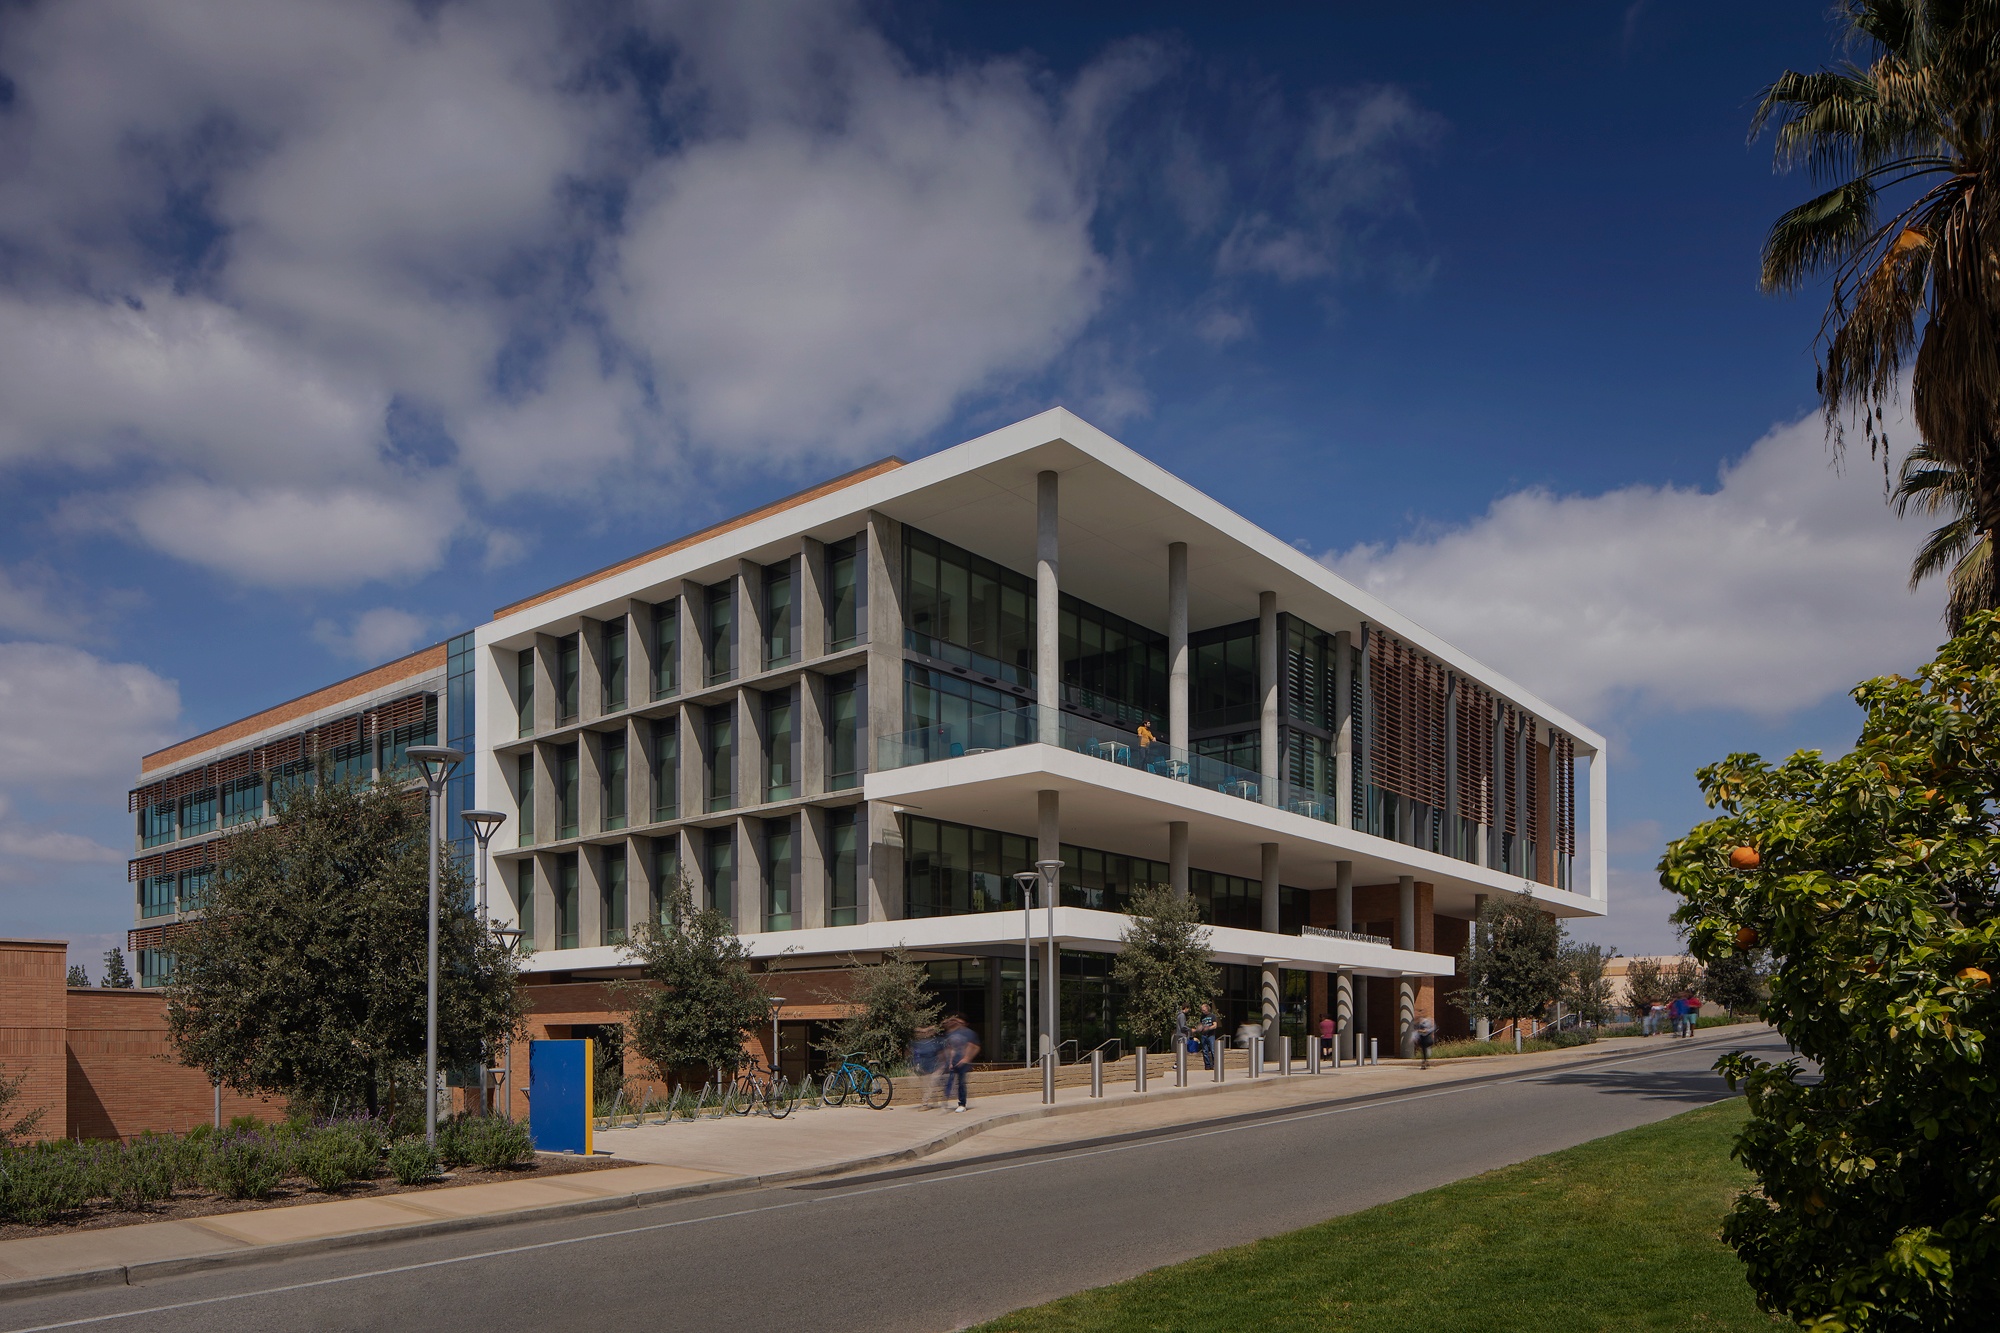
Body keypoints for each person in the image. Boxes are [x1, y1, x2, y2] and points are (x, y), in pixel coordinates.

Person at [940, 1013, 980, 1112]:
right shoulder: (952, 1033)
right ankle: (945, 1101)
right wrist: (949, 1061)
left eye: (960, 1021)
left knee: (961, 1082)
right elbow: (951, 1048)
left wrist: (967, 1058)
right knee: (949, 1081)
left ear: (965, 1023)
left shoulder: (969, 1033)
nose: (958, 1023)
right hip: (954, 1061)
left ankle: (962, 1104)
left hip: (963, 1063)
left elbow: (974, 1047)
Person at [911, 1025, 943, 1110]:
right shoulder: (918, 1044)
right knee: (928, 1085)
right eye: (920, 1032)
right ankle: (934, 1102)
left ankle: (924, 1104)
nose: (924, 1034)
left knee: (931, 1084)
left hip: (936, 1067)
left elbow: (941, 1054)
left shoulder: (936, 1042)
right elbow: (913, 1055)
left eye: (927, 1031)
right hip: (924, 1068)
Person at [1195, 1002, 1219, 1070]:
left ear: (1207, 1008)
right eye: (1202, 1010)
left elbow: (1215, 1026)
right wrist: (1199, 1028)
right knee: (1205, 1051)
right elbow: (1200, 1025)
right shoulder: (1202, 1017)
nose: (1202, 1011)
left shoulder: (1212, 1016)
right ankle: (1207, 1065)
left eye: (1203, 1009)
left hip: (1211, 1035)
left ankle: (1215, 1064)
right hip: (1203, 1035)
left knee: (1213, 1050)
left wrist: (1208, 1028)